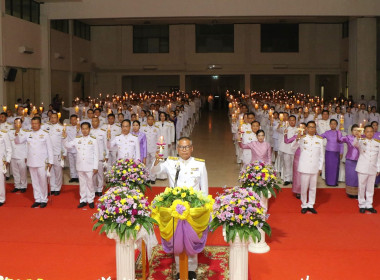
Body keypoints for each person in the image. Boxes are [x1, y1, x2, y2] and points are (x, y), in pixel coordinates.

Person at [151, 136, 208, 280]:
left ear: (192, 148)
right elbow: (155, 171)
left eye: (187, 147)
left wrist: (205, 207)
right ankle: (178, 270)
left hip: (193, 208)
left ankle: (192, 269)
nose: (184, 150)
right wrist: (157, 159)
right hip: (175, 208)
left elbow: (205, 188)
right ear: (177, 149)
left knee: (192, 238)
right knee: (177, 239)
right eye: (182, 147)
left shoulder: (199, 164)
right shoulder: (171, 162)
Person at [15, 117, 54, 208]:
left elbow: (50, 149)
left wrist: (50, 161)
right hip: (31, 161)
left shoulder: (45, 134)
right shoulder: (28, 134)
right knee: (35, 181)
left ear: (40, 124)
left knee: (43, 181)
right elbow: (18, 141)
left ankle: (44, 199)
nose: (34, 125)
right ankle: (37, 199)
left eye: (36, 123)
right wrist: (16, 134)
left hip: (42, 162)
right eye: (32, 123)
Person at [63, 122, 99, 208]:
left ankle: (90, 200)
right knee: (82, 183)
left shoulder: (93, 140)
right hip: (80, 166)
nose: (85, 130)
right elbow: (67, 145)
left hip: (90, 166)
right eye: (83, 128)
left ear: (89, 130)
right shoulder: (77, 139)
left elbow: (96, 154)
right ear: (81, 129)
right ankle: (83, 199)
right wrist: (64, 137)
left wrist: (95, 166)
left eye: (86, 128)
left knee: (90, 183)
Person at [296, 121, 324, 214]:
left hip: (315, 167)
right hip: (304, 166)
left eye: (313, 127)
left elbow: (321, 155)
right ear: (306, 128)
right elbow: (293, 147)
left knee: (313, 187)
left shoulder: (320, 139)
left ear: (315, 129)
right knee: (304, 187)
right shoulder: (302, 138)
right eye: (310, 127)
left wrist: (320, 168)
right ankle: (304, 204)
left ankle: (311, 204)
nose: (311, 129)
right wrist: (297, 139)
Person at [353, 125, 380, 214]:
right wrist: (357, 137)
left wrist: (378, 168)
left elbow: (379, 157)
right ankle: (361, 204)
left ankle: (369, 204)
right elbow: (355, 144)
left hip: (373, 168)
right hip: (363, 168)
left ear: (374, 133)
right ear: (365, 133)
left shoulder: (377, 143)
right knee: (362, 187)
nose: (370, 133)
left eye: (371, 131)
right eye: (367, 131)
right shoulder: (361, 141)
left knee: (370, 187)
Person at [42, 112, 66, 195]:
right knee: (50, 171)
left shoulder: (61, 128)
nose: (52, 119)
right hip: (48, 153)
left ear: (58, 118)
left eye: (54, 117)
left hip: (57, 152)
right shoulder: (45, 126)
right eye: (51, 117)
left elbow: (64, 142)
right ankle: (52, 187)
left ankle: (57, 187)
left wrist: (64, 153)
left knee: (58, 171)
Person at [337, 124, 360, 198]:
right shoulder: (348, 137)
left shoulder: (362, 138)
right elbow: (339, 140)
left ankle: (358, 193)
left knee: (358, 177)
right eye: (354, 130)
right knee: (350, 176)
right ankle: (350, 192)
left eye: (358, 130)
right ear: (351, 131)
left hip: (360, 160)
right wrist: (339, 130)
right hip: (350, 160)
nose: (356, 132)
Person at [285, 123, 307, 199]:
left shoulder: (308, 137)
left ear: (306, 129)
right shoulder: (296, 137)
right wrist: (297, 139)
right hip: (298, 157)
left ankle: (305, 190)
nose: (302, 130)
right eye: (300, 128)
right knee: (297, 175)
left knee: (306, 175)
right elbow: (292, 148)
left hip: (307, 158)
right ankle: (298, 191)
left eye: (303, 128)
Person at [319, 119, 344, 186]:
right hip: (329, 153)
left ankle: (334, 182)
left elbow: (341, 143)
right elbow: (319, 137)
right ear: (329, 125)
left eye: (334, 124)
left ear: (336, 125)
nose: (333, 125)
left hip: (336, 153)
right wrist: (315, 132)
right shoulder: (327, 132)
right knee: (328, 167)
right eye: (331, 124)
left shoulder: (339, 133)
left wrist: (341, 152)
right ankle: (328, 182)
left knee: (336, 167)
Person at [8, 118, 28, 193]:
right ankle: (17, 185)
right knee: (15, 172)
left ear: (21, 124)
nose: (16, 125)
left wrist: (26, 156)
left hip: (22, 155)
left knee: (22, 171)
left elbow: (27, 145)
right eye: (15, 123)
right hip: (13, 155)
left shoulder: (25, 133)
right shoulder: (10, 133)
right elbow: (9, 144)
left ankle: (23, 186)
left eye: (18, 123)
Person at [90, 117, 108, 197]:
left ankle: (99, 189)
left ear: (98, 122)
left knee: (100, 174)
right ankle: (93, 189)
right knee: (92, 175)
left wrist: (106, 155)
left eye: (95, 121)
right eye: (93, 121)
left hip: (100, 156)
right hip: (91, 157)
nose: (94, 123)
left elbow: (106, 145)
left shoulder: (103, 132)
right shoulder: (88, 131)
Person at [141, 115, 160, 183]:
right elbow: (141, 139)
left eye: (152, 119)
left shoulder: (157, 129)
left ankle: (153, 178)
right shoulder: (143, 128)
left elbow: (159, 139)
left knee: (154, 163)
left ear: (153, 120)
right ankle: (147, 177)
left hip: (154, 148)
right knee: (146, 163)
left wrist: (158, 149)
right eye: (149, 119)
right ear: (147, 120)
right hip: (145, 148)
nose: (150, 121)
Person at [0, 128, 12, 206]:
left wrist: (7, 160)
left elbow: (9, 148)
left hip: (1, 160)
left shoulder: (3, 134)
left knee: (0, 181)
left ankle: (1, 199)